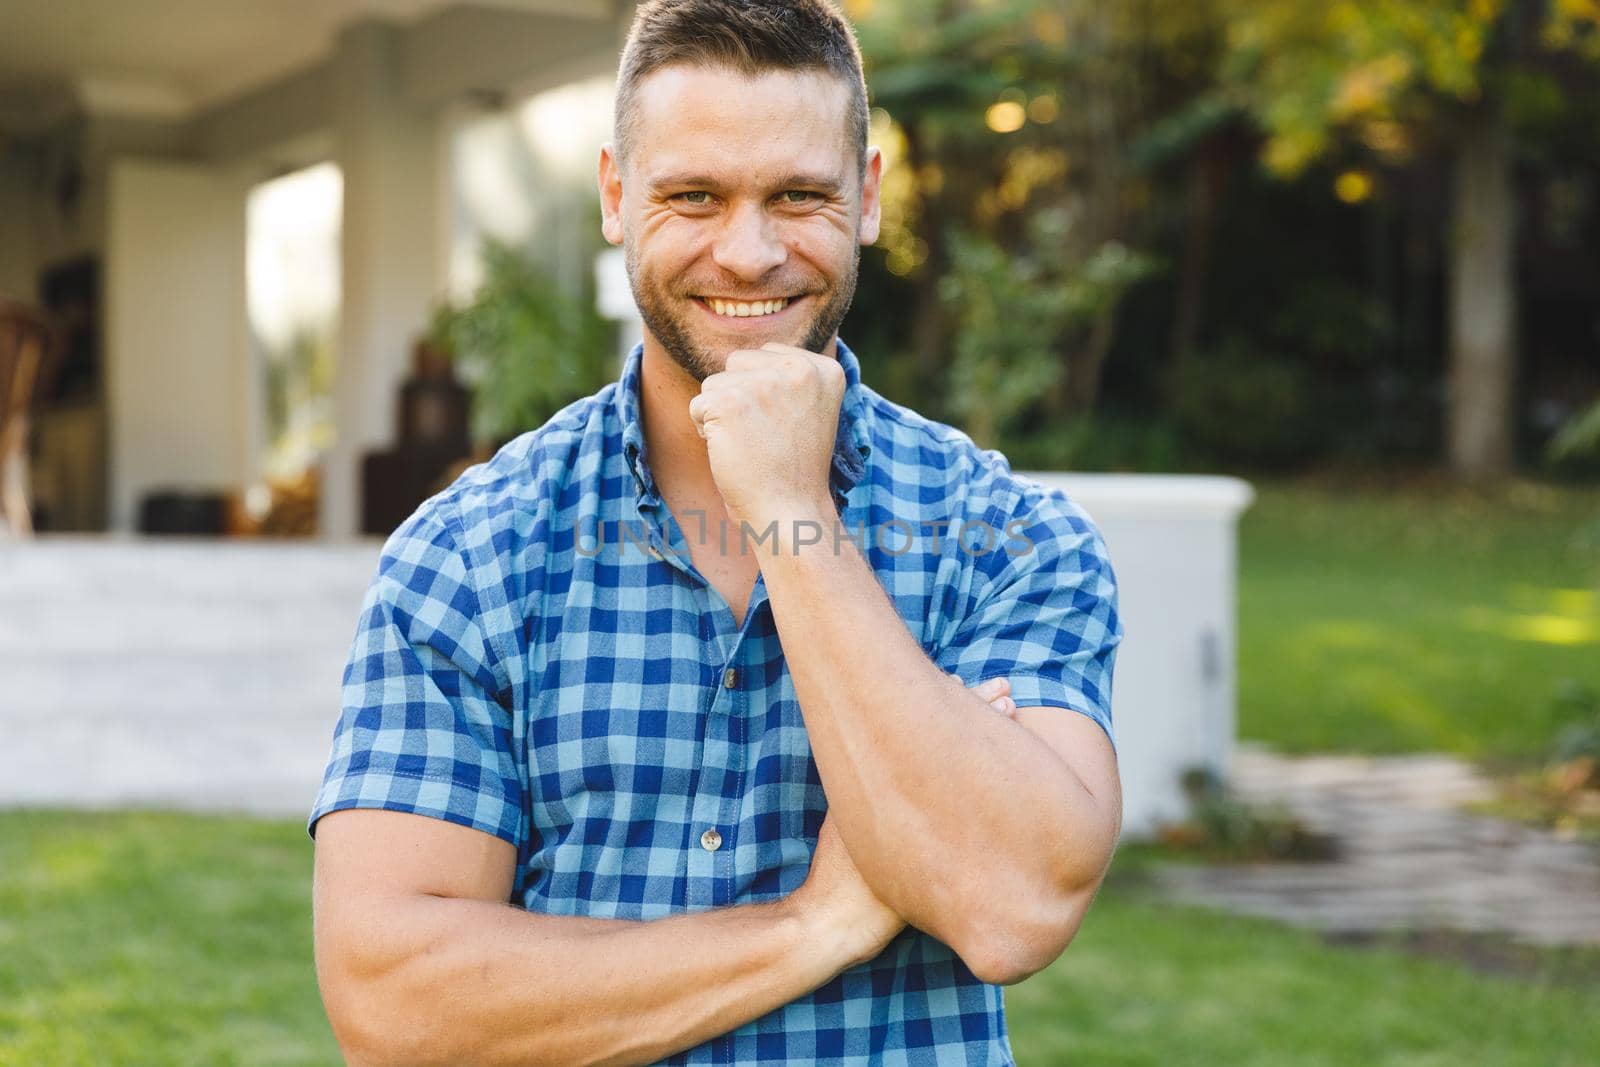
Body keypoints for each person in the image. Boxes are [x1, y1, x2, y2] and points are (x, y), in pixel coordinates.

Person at [307, 1, 1123, 1063]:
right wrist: (809, 925)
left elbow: (1011, 906)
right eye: (694, 196)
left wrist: (792, 509)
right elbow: (393, 1002)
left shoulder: (1008, 541)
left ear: (867, 197)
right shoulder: (466, 557)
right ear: (614, 196)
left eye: (799, 196)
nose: (749, 253)